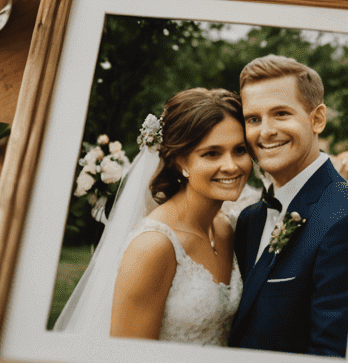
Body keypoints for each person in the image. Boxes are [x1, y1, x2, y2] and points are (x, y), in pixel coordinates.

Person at [54, 89, 252, 344]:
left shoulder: (227, 228)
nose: (231, 165)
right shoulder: (153, 246)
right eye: (211, 153)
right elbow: (130, 362)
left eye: (240, 150)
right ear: (181, 161)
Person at [230, 54, 348, 357]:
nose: (265, 131)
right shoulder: (250, 219)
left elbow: (332, 356)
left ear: (317, 119)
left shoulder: (346, 218)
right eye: (253, 119)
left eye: (281, 114)